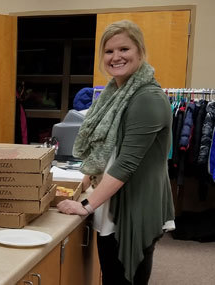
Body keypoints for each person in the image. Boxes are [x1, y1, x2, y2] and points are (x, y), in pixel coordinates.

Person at [56, 20, 175, 285]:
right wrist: (85, 179)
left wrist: (85, 205)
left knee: (124, 278)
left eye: (124, 49)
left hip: (135, 207)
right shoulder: (115, 93)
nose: (116, 57)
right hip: (113, 201)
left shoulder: (147, 98)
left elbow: (126, 163)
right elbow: (105, 148)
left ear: (140, 52)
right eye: (109, 51)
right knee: (112, 275)